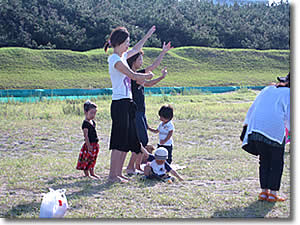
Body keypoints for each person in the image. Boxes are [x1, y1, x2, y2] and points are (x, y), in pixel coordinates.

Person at [104, 26, 155, 183]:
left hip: (127, 102)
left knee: (125, 141)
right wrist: (147, 75)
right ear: (118, 43)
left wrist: (148, 35)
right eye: (126, 42)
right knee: (118, 141)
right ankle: (113, 175)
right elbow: (132, 76)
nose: (128, 45)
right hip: (119, 103)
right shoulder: (115, 59)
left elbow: (137, 48)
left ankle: (118, 174)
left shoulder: (123, 56)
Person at [125, 42, 173, 175]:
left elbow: (150, 82)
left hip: (141, 112)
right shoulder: (133, 75)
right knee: (141, 140)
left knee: (141, 140)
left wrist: (162, 77)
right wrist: (163, 52)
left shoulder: (138, 76)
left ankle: (136, 166)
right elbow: (153, 67)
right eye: (140, 59)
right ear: (133, 61)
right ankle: (131, 167)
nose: (142, 62)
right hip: (136, 113)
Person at [241, 73, 290, 202]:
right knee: (276, 163)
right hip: (274, 130)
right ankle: (273, 194)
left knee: (264, 161)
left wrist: (245, 126)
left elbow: (253, 108)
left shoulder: (267, 89)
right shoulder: (291, 94)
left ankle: (264, 193)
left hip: (256, 128)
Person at [76, 100, 100, 179]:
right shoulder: (85, 124)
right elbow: (86, 136)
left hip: (95, 143)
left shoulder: (92, 122)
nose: (93, 115)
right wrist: (88, 145)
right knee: (87, 159)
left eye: (95, 113)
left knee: (93, 159)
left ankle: (92, 172)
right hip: (89, 144)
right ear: (86, 112)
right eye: (91, 113)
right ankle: (87, 174)